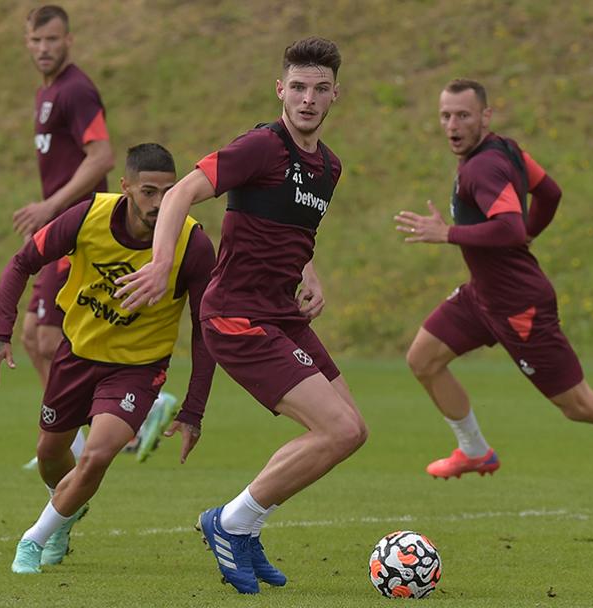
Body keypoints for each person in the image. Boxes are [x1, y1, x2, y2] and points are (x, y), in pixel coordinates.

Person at [393, 79, 593, 510]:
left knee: (579, 405)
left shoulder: (482, 168)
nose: (452, 125)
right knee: (423, 358)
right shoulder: (505, 150)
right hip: (483, 296)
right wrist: (524, 236)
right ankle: (474, 451)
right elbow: (550, 193)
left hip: (518, 305)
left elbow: (509, 226)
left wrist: (449, 233)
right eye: (445, 116)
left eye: (463, 115)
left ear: (485, 116)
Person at [114, 37, 367, 594]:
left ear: (334, 97)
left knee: (350, 431)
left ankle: (242, 527)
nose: (307, 99)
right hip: (237, 316)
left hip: (282, 315)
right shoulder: (260, 147)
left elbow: (291, 230)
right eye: (297, 87)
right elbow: (181, 193)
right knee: (338, 428)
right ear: (280, 90)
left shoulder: (329, 167)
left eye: (319, 89)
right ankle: (231, 523)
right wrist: (161, 264)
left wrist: (309, 271)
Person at [0, 143, 216, 573]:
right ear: (125, 187)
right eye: (148, 191)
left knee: (98, 454)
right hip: (78, 354)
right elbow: (21, 263)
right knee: (51, 454)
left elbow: (206, 329)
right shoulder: (88, 216)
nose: (159, 203)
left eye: (169, 191)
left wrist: (194, 408)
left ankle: (33, 539)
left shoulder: (193, 244)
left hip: (137, 368)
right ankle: (67, 512)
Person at [16, 5, 115, 466]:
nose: (43, 49)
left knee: (52, 335)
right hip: (59, 225)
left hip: (78, 226)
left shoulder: (76, 90)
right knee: (33, 333)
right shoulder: (46, 93)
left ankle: (142, 407)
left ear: (68, 40)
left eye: (51, 40)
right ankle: (69, 441)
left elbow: (102, 157)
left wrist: (51, 208)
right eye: (35, 41)